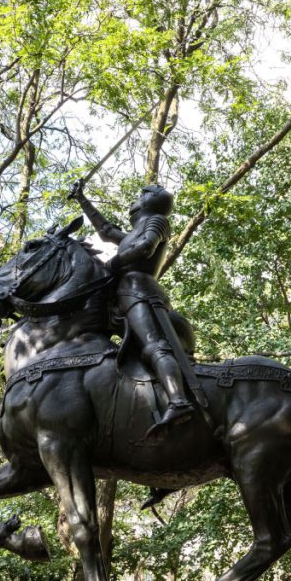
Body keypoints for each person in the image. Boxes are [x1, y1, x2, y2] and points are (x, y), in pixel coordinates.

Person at [68, 178, 197, 434]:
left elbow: (146, 247)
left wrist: (113, 264)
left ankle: (179, 401)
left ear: (150, 200)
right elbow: (105, 230)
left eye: (139, 197)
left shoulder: (156, 221)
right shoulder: (131, 234)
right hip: (124, 294)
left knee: (153, 344)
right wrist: (81, 198)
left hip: (140, 291)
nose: (133, 202)